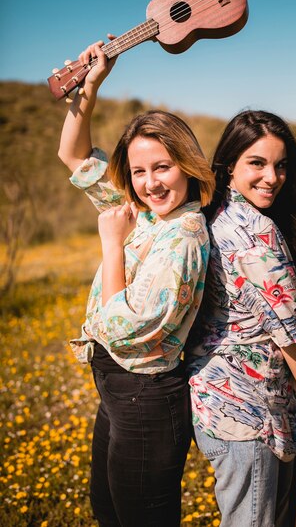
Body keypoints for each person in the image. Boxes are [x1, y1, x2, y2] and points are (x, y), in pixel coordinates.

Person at [57, 37, 215, 527]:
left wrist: (110, 244)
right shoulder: (143, 213)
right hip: (117, 388)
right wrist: (90, 88)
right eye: (140, 171)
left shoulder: (184, 236)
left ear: (187, 165)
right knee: (108, 508)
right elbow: (73, 156)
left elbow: (124, 327)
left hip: (146, 397)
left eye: (163, 167)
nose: (151, 183)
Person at [186, 110, 296, 527]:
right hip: (250, 415)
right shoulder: (255, 234)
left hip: (216, 402)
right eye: (257, 163)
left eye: (280, 165)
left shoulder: (210, 214)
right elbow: (287, 328)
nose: (273, 177)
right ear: (229, 164)